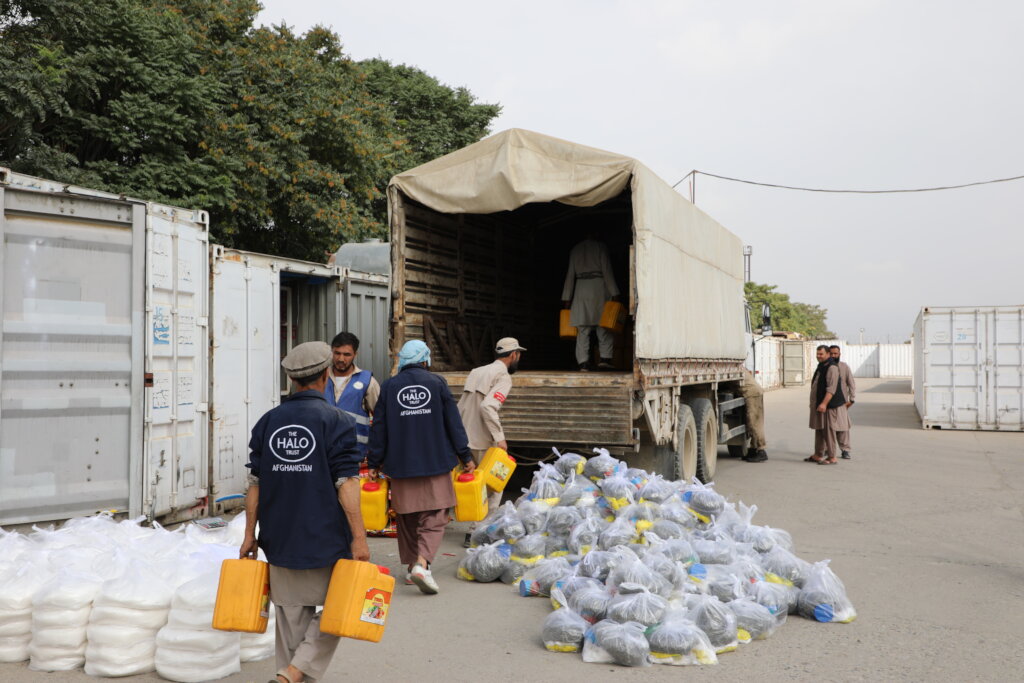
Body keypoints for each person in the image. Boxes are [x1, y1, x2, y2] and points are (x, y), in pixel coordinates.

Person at [240, 341, 368, 683]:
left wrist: (249, 533)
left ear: (293, 380)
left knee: (291, 625)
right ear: (326, 374)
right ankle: (295, 672)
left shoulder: (269, 421)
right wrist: (359, 536)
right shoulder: (336, 420)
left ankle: (289, 672)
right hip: (324, 537)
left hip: (279, 536)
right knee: (341, 610)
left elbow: (255, 482)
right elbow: (347, 483)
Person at [366, 340, 476, 595]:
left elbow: (379, 427)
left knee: (407, 516)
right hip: (435, 461)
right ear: (425, 359)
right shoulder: (436, 383)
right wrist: (465, 455)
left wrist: (373, 461)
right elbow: (453, 423)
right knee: (435, 514)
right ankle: (422, 563)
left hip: (400, 464)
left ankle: (410, 566)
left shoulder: (390, 386)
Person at [456, 337, 526, 546]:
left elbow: (462, 405)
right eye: (519, 355)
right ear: (513, 355)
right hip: (485, 440)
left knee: (471, 485)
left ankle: (473, 529)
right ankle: (479, 533)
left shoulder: (477, 371)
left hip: (465, 438)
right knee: (494, 487)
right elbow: (488, 406)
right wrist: (499, 438)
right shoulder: (503, 377)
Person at [561, 234, 620, 371]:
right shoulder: (600, 246)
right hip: (599, 289)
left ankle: (583, 362)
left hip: (581, 289)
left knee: (583, 329)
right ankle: (605, 359)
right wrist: (615, 292)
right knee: (603, 326)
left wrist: (567, 298)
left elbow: (570, 275)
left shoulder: (575, 250)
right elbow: (607, 270)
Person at [323, 331, 381, 459]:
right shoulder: (321, 378)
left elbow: (380, 419)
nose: (341, 359)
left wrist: (377, 454)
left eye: (347, 354)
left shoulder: (367, 381)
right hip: (322, 454)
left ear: (355, 354)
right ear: (331, 352)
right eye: (337, 353)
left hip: (354, 456)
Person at [805, 345, 850, 465]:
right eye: (817, 354)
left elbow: (831, 389)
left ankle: (831, 457)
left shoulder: (832, 368)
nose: (818, 356)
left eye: (821, 354)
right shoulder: (822, 366)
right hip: (820, 405)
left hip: (830, 406)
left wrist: (824, 403)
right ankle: (818, 454)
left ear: (828, 354)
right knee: (819, 430)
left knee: (828, 431)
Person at [829, 345, 856, 459]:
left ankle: (845, 450)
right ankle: (828, 450)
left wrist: (852, 400)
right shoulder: (826, 367)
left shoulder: (844, 367)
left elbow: (851, 383)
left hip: (842, 403)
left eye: (836, 353)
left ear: (839, 354)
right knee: (828, 428)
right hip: (828, 403)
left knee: (843, 427)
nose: (834, 356)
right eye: (831, 354)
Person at [736, 368, 769, 462]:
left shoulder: (733, 368)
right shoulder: (737, 367)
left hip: (752, 393)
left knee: (754, 422)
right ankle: (753, 449)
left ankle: (761, 450)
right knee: (752, 422)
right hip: (754, 392)